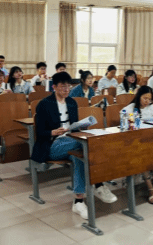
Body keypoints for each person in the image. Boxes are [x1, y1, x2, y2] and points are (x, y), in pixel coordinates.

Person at [31, 72, 117, 219]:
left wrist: (81, 126)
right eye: (63, 86)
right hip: (51, 145)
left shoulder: (71, 102)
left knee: (80, 155)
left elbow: (74, 127)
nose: (66, 89)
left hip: (71, 142)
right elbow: (40, 132)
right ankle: (99, 185)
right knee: (86, 143)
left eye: (68, 86)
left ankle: (78, 201)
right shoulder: (44, 104)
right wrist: (53, 132)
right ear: (54, 87)